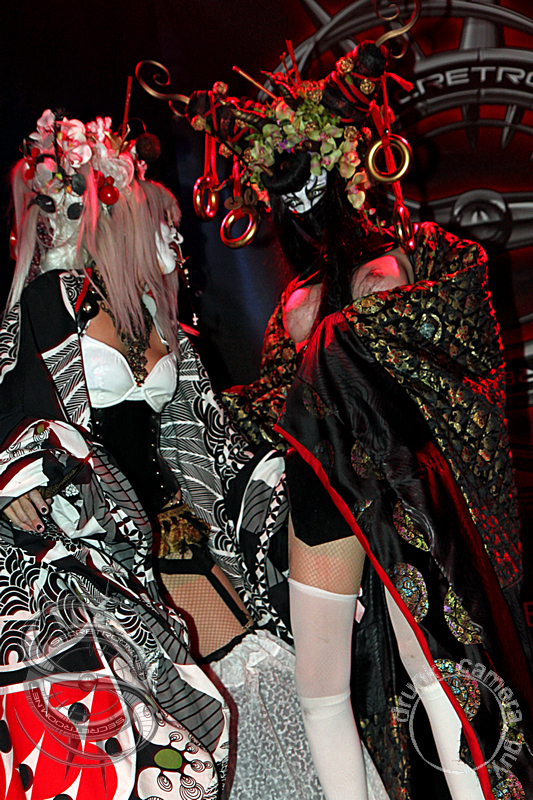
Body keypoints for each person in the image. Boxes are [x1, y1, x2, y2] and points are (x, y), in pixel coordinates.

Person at [181, 40, 533, 800]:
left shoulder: (389, 273)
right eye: (283, 186)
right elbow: (278, 406)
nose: (297, 203)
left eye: (300, 178)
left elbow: (448, 362)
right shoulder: (317, 298)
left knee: (418, 674)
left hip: (390, 498)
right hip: (344, 503)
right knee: (354, 687)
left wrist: (333, 349)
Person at [0, 108, 293, 799]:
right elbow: (12, 395)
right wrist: (19, 474)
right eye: (160, 219)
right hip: (90, 540)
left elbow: (208, 434)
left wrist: (277, 507)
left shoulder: (163, 321)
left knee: (255, 674)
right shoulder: (50, 303)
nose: (174, 235)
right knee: (156, 719)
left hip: (177, 528)